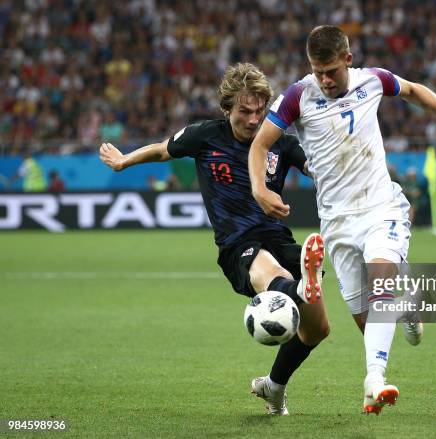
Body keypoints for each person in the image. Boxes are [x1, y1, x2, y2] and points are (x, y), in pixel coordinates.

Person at [248, 25, 436, 414]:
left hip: (380, 206)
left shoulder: (374, 80)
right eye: (318, 71)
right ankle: (406, 306)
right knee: (368, 320)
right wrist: (260, 189)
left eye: (332, 70)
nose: (326, 80)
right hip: (337, 223)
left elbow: (414, 90)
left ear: (348, 59)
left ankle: (374, 381)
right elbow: (260, 144)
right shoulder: (298, 96)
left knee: (381, 278)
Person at [99, 63, 329, 415]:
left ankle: (273, 387)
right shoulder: (205, 135)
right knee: (273, 275)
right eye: (244, 111)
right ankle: (296, 288)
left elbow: (318, 169)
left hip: (278, 236)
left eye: (259, 111)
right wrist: (123, 161)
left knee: (317, 329)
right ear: (227, 109)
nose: (253, 120)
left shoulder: (280, 143)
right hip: (238, 244)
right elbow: (163, 150)